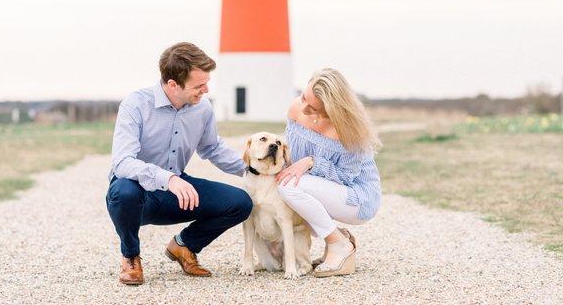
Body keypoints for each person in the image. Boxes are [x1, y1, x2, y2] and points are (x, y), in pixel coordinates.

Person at [106, 42, 252, 285]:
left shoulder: (203, 107)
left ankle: (184, 246)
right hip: (138, 195)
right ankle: (130, 256)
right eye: (199, 85)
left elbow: (212, 148)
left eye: (206, 82)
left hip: (176, 192)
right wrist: (169, 179)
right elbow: (122, 162)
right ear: (172, 84)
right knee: (123, 191)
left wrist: (255, 170)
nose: (205, 90)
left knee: (240, 203)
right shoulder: (135, 105)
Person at [275, 68, 382, 278]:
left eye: (313, 107)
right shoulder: (296, 108)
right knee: (286, 183)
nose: (303, 107)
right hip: (323, 186)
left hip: (357, 197)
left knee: (288, 185)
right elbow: (292, 155)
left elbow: (346, 178)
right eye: (303, 97)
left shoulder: (349, 131)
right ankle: (336, 240)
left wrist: (311, 162)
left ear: (331, 109)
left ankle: (339, 244)